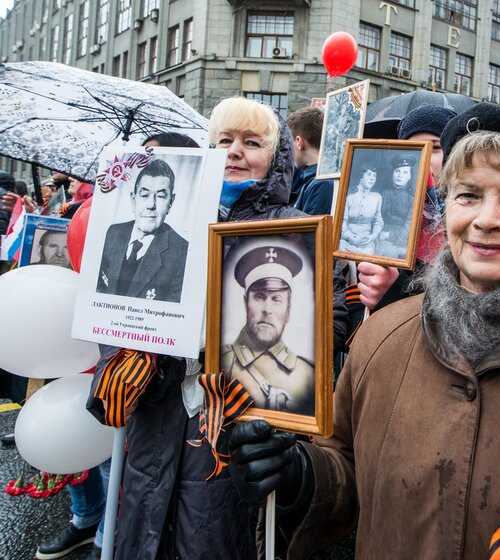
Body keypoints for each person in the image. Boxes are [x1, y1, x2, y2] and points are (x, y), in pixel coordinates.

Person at [227, 102, 500, 558]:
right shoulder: (382, 336)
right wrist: (300, 475)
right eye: (468, 195)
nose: (486, 219)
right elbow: (345, 463)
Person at [88, 99, 348, 559]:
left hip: (236, 427)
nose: (234, 151)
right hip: (157, 421)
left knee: (213, 536)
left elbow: (325, 323)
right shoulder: (170, 224)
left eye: (251, 143)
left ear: (278, 156)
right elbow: (120, 305)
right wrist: (125, 361)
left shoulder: (294, 229)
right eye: (224, 141)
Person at [350, 105, 457, 319]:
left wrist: (396, 289)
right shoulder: (386, 203)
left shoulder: (467, 217)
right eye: (413, 150)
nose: (423, 159)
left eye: (434, 147)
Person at [221, 245, 315, 414]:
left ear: (288, 310)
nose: (267, 309)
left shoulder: (308, 375)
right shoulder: (219, 361)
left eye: (277, 299)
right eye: (259, 297)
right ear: (245, 303)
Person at [96, 158, 188, 302]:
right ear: (133, 199)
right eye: (144, 195)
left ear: (171, 202)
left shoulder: (182, 252)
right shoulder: (113, 233)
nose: (151, 205)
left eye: (161, 196)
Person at [288, 106, 335, 215]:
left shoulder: (322, 183)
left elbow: (308, 231)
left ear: (299, 142)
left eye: (289, 142)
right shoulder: (314, 179)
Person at [376, 154, 417, 259]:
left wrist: (389, 236)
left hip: (399, 240)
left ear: (409, 176)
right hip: (378, 233)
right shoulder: (382, 193)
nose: (400, 176)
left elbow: (409, 226)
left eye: (405, 172)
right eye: (397, 171)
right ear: (392, 173)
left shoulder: (412, 199)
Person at [339, 163, 383, 254]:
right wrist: (351, 238)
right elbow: (342, 221)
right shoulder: (349, 196)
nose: (372, 178)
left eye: (374, 176)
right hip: (346, 240)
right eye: (369, 174)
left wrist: (373, 236)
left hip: (366, 242)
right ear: (361, 175)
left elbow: (378, 221)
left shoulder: (377, 198)